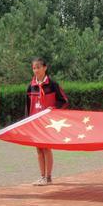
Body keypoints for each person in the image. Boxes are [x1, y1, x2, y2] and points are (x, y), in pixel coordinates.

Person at [27, 57, 68, 186]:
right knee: (38, 149)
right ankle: (42, 176)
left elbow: (64, 101)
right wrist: (27, 122)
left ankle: (48, 177)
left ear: (45, 68)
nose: (36, 70)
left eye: (38, 67)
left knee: (46, 148)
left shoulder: (53, 85)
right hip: (35, 122)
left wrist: (53, 108)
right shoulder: (31, 86)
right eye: (34, 68)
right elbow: (28, 106)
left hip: (49, 122)